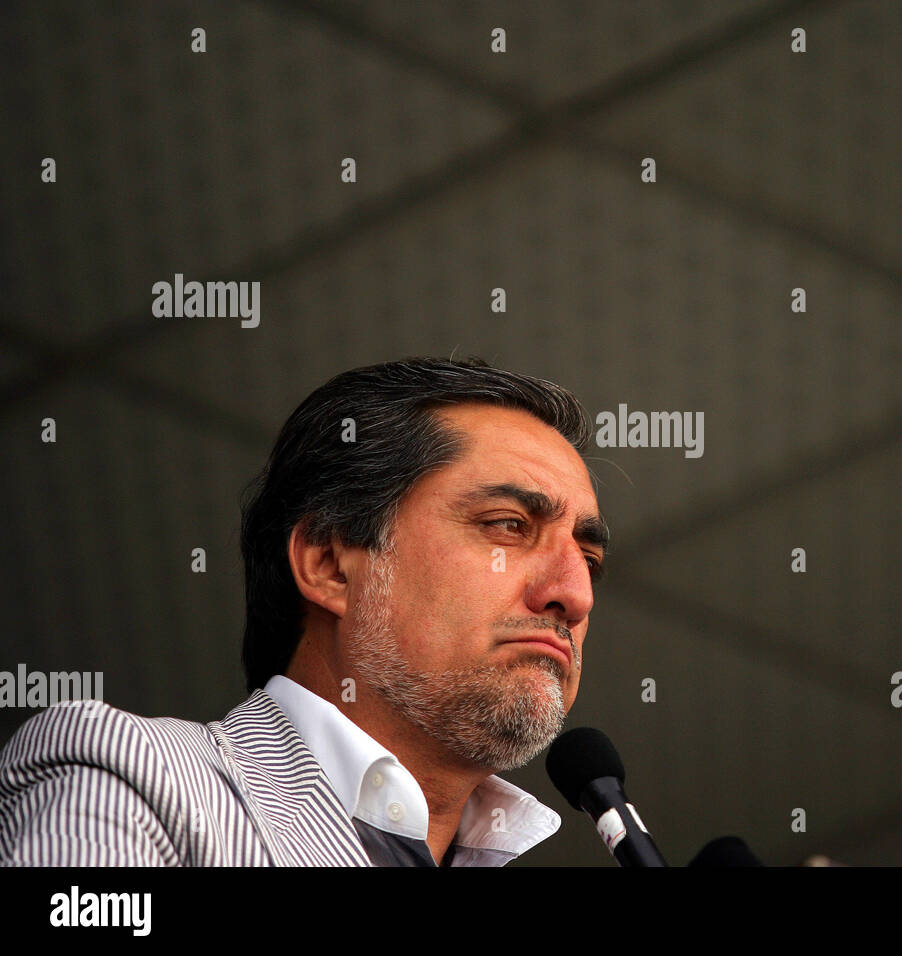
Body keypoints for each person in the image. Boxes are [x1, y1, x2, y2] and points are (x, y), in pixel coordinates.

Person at [0, 356, 608, 866]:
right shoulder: (138, 777)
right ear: (329, 564)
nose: (574, 594)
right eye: (508, 525)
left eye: (589, 558)